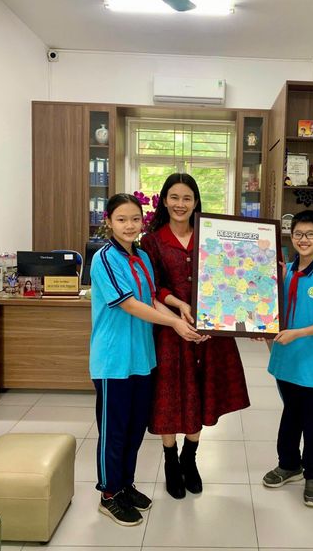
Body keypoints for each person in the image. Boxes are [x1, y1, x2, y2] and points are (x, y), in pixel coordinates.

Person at [90, 193, 201, 527]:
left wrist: (182, 317)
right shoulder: (104, 258)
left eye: (135, 219)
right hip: (113, 361)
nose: (129, 225)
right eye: (121, 219)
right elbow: (129, 304)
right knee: (114, 431)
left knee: (135, 428)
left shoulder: (141, 257)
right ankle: (109, 494)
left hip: (142, 357)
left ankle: (125, 484)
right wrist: (174, 325)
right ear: (108, 221)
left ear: (143, 220)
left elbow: (151, 299)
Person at [140, 173, 250, 499]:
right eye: (174, 197)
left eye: (187, 198)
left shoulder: (211, 235)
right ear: (164, 200)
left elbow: (230, 278)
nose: (180, 204)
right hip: (170, 330)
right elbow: (153, 287)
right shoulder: (152, 241)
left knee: (201, 392)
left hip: (211, 332)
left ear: (196, 202)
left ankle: (190, 458)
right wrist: (179, 308)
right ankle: (170, 460)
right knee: (171, 395)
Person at [263, 209, 313, 507]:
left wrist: (298, 333)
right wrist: (262, 329)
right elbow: (270, 311)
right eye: (298, 234)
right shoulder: (283, 272)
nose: (303, 239)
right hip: (286, 360)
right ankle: (289, 464)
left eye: (311, 234)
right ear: (291, 236)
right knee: (291, 414)